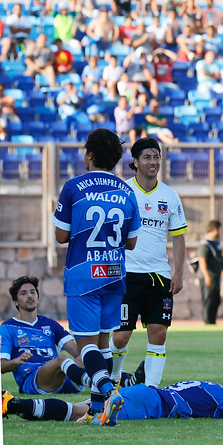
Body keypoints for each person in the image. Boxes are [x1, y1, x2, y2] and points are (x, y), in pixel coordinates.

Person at [53, 128, 141, 424]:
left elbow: (60, 235)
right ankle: (97, 411)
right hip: (114, 274)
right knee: (103, 345)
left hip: (83, 275)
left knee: (86, 345)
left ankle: (108, 391)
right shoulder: (128, 190)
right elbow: (131, 242)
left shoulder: (74, 187)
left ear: (89, 155)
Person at [110, 137, 188, 388]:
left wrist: (178, 272)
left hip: (159, 276)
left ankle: (151, 390)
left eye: (156, 157)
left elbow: (178, 237)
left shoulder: (170, 196)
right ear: (135, 162)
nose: (153, 162)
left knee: (159, 332)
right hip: (127, 275)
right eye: (147, 157)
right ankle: (112, 380)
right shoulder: (122, 191)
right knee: (121, 336)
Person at [3, 380, 223, 425]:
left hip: (143, 393)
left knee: (78, 410)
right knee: (79, 414)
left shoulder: (202, 385)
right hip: (151, 404)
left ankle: (14, 405)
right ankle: (14, 405)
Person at [1, 276, 90, 395]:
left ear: (38, 298)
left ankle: (119, 378)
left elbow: (78, 353)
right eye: (23, 293)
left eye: (33, 292)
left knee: (89, 352)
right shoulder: (7, 327)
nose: (29, 296)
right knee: (62, 358)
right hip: (33, 380)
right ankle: (94, 382)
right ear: (15, 301)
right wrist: (16, 361)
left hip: (61, 378)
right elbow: (2, 366)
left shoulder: (50, 324)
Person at [197, 220, 223, 325]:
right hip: (208, 276)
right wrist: (207, 276)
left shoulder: (216, 243)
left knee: (216, 299)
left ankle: (213, 320)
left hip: (216, 276)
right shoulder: (204, 245)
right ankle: (207, 321)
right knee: (208, 299)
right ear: (215, 229)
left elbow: (220, 258)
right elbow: (202, 261)